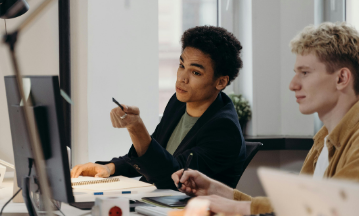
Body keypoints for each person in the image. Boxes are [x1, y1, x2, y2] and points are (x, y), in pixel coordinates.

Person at [172, 22, 359, 216]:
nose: (293, 84)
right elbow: (298, 209)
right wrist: (217, 191)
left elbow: (330, 215)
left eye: (305, 73)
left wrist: (233, 208)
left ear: (342, 78)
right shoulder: (325, 140)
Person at [71, 26, 246, 190]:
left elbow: (175, 178)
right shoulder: (178, 103)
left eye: (195, 72)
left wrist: (136, 127)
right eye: (181, 66)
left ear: (221, 82)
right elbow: (155, 154)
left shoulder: (224, 129)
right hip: (155, 202)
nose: (182, 78)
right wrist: (110, 167)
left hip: (187, 209)